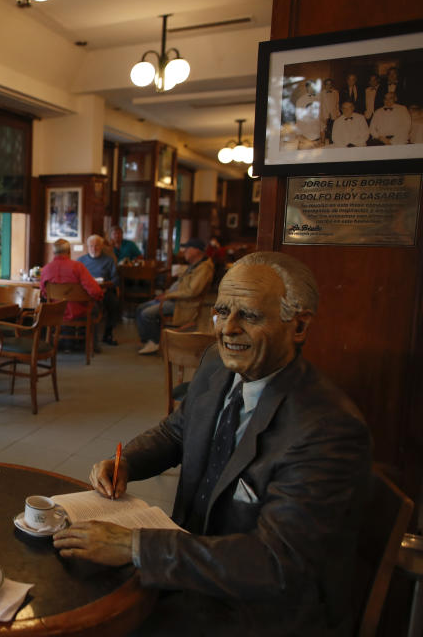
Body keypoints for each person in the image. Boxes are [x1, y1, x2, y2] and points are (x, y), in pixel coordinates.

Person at [53, 252, 371, 636]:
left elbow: (274, 562)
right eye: (221, 312)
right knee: (70, 576)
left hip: (258, 612)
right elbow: (176, 431)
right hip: (191, 566)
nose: (227, 329)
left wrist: (136, 547)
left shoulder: (326, 429)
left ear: (299, 326)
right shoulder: (217, 365)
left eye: (250, 316)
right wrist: (127, 462)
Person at [136, 238, 213, 355]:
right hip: (175, 300)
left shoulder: (204, 268)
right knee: (140, 308)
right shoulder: (195, 265)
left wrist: (168, 296)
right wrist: (167, 294)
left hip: (184, 305)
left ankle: (155, 342)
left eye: (187, 249)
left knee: (147, 313)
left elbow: (191, 292)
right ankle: (149, 340)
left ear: (196, 251)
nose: (184, 251)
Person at [40, 238, 105, 329]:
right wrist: (100, 296)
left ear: (53, 252)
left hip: (55, 312)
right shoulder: (78, 267)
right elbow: (95, 291)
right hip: (79, 312)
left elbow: (44, 293)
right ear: (69, 252)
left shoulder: (46, 269)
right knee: (97, 308)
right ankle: (89, 341)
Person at [77, 234, 120, 348]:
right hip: (84, 293)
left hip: (104, 291)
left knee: (114, 303)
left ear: (101, 247)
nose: (93, 248)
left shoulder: (108, 260)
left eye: (96, 246)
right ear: (87, 247)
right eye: (91, 246)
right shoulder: (80, 261)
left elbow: (115, 279)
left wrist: (107, 287)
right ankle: (81, 335)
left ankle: (108, 334)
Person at [295, 81, 323, 148]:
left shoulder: (318, 99)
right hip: (305, 138)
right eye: (311, 87)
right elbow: (299, 118)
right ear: (307, 88)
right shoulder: (301, 100)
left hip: (316, 136)